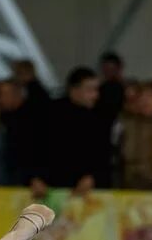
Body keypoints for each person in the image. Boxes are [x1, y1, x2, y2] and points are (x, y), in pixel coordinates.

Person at [32, 67, 110, 198]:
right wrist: (35, 177)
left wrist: (93, 177)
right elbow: (34, 148)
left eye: (97, 90)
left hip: (86, 194)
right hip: (48, 191)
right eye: (90, 90)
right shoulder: (48, 114)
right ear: (74, 89)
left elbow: (103, 155)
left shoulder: (99, 118)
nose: (95, 95)